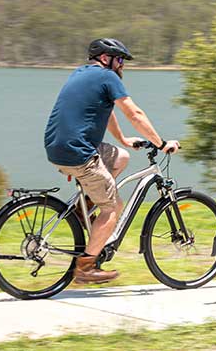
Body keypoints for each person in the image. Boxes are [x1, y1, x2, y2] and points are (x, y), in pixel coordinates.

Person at [44, 38, 180, 284]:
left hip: (57, 147)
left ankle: (83, 205)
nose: (122, 66)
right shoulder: (108, 77)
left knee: (122, 156)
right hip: (79, 152)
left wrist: (123, 139)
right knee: (112, 209)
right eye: (120, 60)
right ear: (106, 58)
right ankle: (85, 267)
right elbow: (134, 113)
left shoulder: (81, 73)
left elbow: (106, 113)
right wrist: (161, 143)